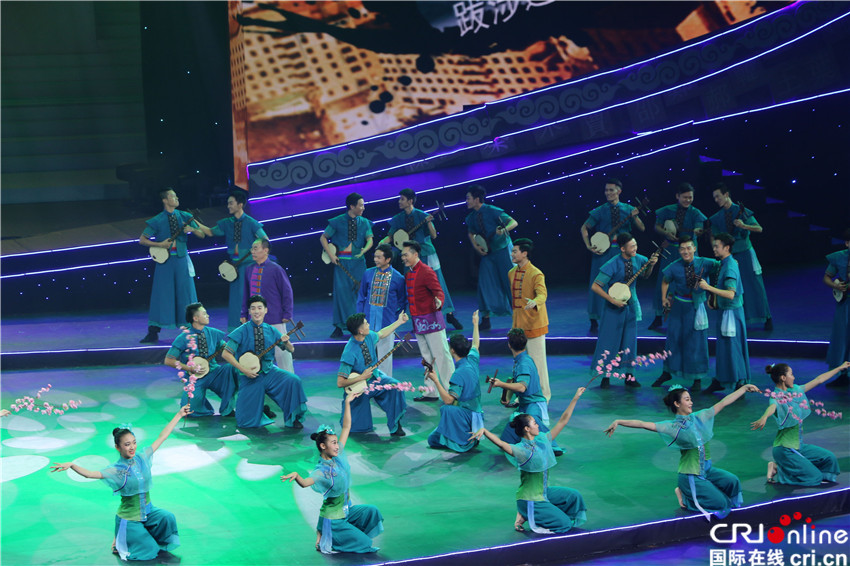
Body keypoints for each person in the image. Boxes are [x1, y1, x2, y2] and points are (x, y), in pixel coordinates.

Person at [50, 406, 191, 561]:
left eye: (134, 443)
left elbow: (162, 437)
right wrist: (72, 465)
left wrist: (179, 414)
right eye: (127, 444)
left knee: (167, 517)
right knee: (150, 551)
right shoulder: (115, 470)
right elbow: (90, 474)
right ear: (117, 447)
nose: (132, 447)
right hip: (129, 518)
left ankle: (142, 533)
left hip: (149, 512)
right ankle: (122, 537)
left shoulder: (142, 458)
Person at [604, 383, 760, 519]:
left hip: (707, 470)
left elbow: (723, 402)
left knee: (732, 481)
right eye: (687, 399)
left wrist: (744, 388)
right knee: (720, 503)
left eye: (690, 399)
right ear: (677, 404)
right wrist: (619, 421)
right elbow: (643, 424)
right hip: (691, 474)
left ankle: (713, 498)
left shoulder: (700, 417)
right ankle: (685, 497)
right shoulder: (672, 427)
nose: (691, 402)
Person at [470, 387, 588, 534]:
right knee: (564, 524)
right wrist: (485, 431)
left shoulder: (543, 440)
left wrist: (576, 397)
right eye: (534, 423)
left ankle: (541, 513)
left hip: (543, 492)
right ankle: (526, 514)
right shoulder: (521, 450)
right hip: (530, 499)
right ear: (527, 428)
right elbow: (501, 444)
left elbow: (563, 421)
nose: (538, 425)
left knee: (573, 496)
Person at [281, 391, 384, 554]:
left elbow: (347, 427)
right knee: (365, 543)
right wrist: (297, 476)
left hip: (346, 511)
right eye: (333, 443)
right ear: (323, 446)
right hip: (334, 520)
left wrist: (348, 403)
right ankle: (327, 535)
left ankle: (345, 533)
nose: (337, 446)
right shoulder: (321, 471)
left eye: (337, 442)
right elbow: (306, 483)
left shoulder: (338, 457)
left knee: (372, 511)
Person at [751, 361, 848, 485]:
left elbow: (819, 380)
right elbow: (772, 407)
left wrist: (840, 368)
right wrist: (764, 416)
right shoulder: (776, 397)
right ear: (783, 378)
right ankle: (779, 468)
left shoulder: (796, 390)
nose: (794, 377)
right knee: (815, 477)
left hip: (799, 446)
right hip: (785, 449)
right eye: (791, 374)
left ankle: (780, 465)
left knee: (829, 459)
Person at [380, 188, 463, 330]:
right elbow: (391, 236)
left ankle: (449, 313)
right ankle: (418, 319)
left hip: (426, 254)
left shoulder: (422, 215)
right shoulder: (398, 218)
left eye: (402, 199)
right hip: (409, 257)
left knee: (437, 284)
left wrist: (429, 222)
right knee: (413, 287)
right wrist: (381, 244)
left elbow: (434, 235)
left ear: (410, 201)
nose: (399, 201)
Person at [222, 295, 307, 429]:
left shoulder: (271, 330)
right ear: (249, 311)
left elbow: (291, 349)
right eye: (253, 308)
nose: (256, 311)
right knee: (245, 422)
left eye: (260, 308)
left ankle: (293, 418)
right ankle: (261, 409)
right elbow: (226, 354)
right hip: (249, 376)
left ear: (266, 310)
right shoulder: (242, 330)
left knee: (293, 381)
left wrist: (287, 342)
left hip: (269, 371)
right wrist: (243, 370)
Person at [590, 232, 658, 388]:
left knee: (629, 341)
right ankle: (605, 377)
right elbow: (595, 286)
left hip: (631, 305)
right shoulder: (613, 263)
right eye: (631, 246)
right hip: (613, 308)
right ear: (622, 249)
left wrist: (652, 265)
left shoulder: (639, 259)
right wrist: (612, 300)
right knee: (609, 341)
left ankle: (629, 375)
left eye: (635, 245)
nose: (635, 248)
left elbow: (646, 275)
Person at [652, 237, 720, 391]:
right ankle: (667, 372)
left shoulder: (704, 262)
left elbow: (720, 266)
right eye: (682, 249)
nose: (686, 251)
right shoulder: (674, 266)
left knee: (696, 342)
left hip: (695, 308)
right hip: (678, 307)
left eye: (689, 248)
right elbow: (665, 280)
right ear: (679, 251)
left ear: (694, 248)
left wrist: (712, 291)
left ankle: (697, 378)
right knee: (673, 339)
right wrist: (663, 298)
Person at [138, 188, 205, 343]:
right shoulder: (158, 220)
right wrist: (159, 244)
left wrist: (192, 229)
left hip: (181, 259)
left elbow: (201, 234)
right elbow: (142, 239)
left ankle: (192, 330)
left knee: (186, 294)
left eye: (176, 196)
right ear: (165, 200)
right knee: (161, 294)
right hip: (165, 262)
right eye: (173, 196)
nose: (176, 198)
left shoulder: (185, 216)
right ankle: (153, 332)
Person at [580, 178, 645, 334]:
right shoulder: (600, 210)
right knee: (599, 283)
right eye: (606, 190)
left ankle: (621, 312)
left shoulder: (628, 209)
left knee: (623, 281)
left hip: (623, 252)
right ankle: (595, 319)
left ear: (619, 191)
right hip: (603, 253)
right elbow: (584, 228)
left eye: (611, 190)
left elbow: (642, 228)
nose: (608, 193)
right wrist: (588, 245)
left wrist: (635, 217)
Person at [199, 190, 267, 331]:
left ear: (240, 204)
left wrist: (255, 250)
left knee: (249, 297)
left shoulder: (251, 222)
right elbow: (210, 232)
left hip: (249, 266)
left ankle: (253, 328)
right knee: (236, 299)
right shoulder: (227, 223)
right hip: (234, 267)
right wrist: (194, 222)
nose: (228, 206)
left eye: (231, 203)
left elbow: (265, 240)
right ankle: (238, 330)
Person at [489, 328, 563, 456]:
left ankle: (552, 447)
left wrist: (500, 384)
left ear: (509, 345)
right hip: (525, 403)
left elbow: (522, 387)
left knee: (532, 424)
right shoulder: (523, 359)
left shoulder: (523, 363)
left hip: (533, 404)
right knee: (510, 433)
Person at [708, 183, 772, 330]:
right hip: (729, 256)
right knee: (732, 287)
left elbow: (759, 228)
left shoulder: (741, 211)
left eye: (718, 196)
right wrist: (716, 248)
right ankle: (739, 319)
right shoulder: (716, 218)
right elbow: (713, 236)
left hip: (745, 252)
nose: (716, 200)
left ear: (726, 194)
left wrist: (744, 226)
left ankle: (766, 316)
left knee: (754, 285)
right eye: (714, 197)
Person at [337, 311, 409, 436]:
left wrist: (399, 322)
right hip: (359, 386)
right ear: (360, 331)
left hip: (375, 377)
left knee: (396, 387)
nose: (369, 325)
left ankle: (396, 424)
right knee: (357, 428)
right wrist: (361, 377)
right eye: (366, 324)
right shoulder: (349, 351)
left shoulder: (369, 336)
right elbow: (340, 382)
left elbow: (381, 333)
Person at [401, 240, 455, 401]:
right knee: (426, 357)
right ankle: (431, 391)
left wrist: (439, 300)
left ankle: (452, 391)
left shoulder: (426, 271)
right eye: (402, 255)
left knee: (442, 356)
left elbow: (438, 291)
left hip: (432, 320)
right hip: (418, 322)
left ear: (415, 254)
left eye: (406, 254)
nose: (403, 258)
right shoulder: (409, 274)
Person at [698, 233, 751, 394]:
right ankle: (722, 379)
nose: (714, 248)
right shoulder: (725, 263)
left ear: (726, 248)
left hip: (731, 314)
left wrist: (708, 288)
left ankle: (739, 382)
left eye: (717, 246)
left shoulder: (730, 267)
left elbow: (730, 294)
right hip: (725, 311)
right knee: (724, 347)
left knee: (733, 347)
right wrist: (713, 298)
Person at [649, 183, 707, 329]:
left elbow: (699, 227)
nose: (688, 200)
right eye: (685, 197)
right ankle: (659, 316)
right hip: (670, 250)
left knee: (689, 281)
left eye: (690, 197)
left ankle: (690, 315)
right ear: (677, 196)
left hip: (688, 253)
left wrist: (698, 231)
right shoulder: (667, 210)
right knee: (665, 280)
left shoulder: (695, 213)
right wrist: (666, 233)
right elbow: (657, 226)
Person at [164, 303, 237, 417]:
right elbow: (168, 360)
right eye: (204, 314)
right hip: (195, 378)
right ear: (195, 318)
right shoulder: (183, 338)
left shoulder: (212, 332)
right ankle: (203, 406)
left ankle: (227, 408)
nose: (208, 315)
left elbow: (225, 348)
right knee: (189, 411)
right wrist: (189, 368)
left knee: (232, 369)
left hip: (214, 373)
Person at [426, 311, 482, 452]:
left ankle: (462, 440)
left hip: (468, 415)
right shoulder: (472, 359)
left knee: (446, 410)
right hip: (477, 413)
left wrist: (436, 380)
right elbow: (476, 344)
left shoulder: (458, 374)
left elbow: (448, 400)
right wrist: (475, 324)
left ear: (452, 351)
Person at [321, 193, 373, 338]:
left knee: (360, 293)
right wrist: (331, 255)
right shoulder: (338, 221)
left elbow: (370, 239)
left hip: (358, 262)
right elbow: (323, 237)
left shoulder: (365, 222)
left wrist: (364, 250)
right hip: (341, 262)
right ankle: (339, 325)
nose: (363, 208)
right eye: (361, 205)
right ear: (352, 206)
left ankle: (360, 324)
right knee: (342, 294)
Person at [466, 184, 517, 330]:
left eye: (468, 198)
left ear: (477, 199)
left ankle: (519, 316)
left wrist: (504, 229)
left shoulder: (493, 210)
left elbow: (513, 222)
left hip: (502, 250)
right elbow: (471, 233)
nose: (466, 201)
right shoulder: (471, 217)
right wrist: (476, 246)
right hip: (488, 254)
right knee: (484, 284)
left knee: (510, 282)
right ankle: (486, 319)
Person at [241, 238, 295, 373]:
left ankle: (288, 378)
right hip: (255, 319)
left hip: (275, 316)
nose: (252, 251)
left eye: (255, 248)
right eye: (252, 248)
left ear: (265, 250)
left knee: (282, 352)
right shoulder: (249, 269)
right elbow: (246, 293)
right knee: (257, 351)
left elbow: (287, 292)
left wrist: (287, 313)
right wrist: (244, 313)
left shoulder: (276, 269)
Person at [508, 238, 551, 400]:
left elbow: (542, 294)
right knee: (521, 363)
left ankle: (543, 396)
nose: (512, 254)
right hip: (518, 325)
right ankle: (523, 394)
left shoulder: (536, 273)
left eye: (515, 251)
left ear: (524, 253)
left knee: (538, 364)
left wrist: (535, 301)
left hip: (534, 324)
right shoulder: (511, 273)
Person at [356, 243, 407, 376]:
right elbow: (361, 297)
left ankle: (385, 384)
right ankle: (365, 383)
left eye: (379, 257)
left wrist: (394, 320)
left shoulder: (398, 278)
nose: (375, 259)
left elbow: (402, 302)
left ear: (388, 259)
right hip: (367, 324)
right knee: (366, 357)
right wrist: (359, 318)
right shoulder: (368, 273)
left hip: (387, 324)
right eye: (375, 257)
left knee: (385, 358)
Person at [823, 231, 850, 387]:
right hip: (845, 304)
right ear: (847, 243)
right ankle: (843, 373)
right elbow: (827, 277)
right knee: (843, 338)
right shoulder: (839, 257)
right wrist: (835, 285)